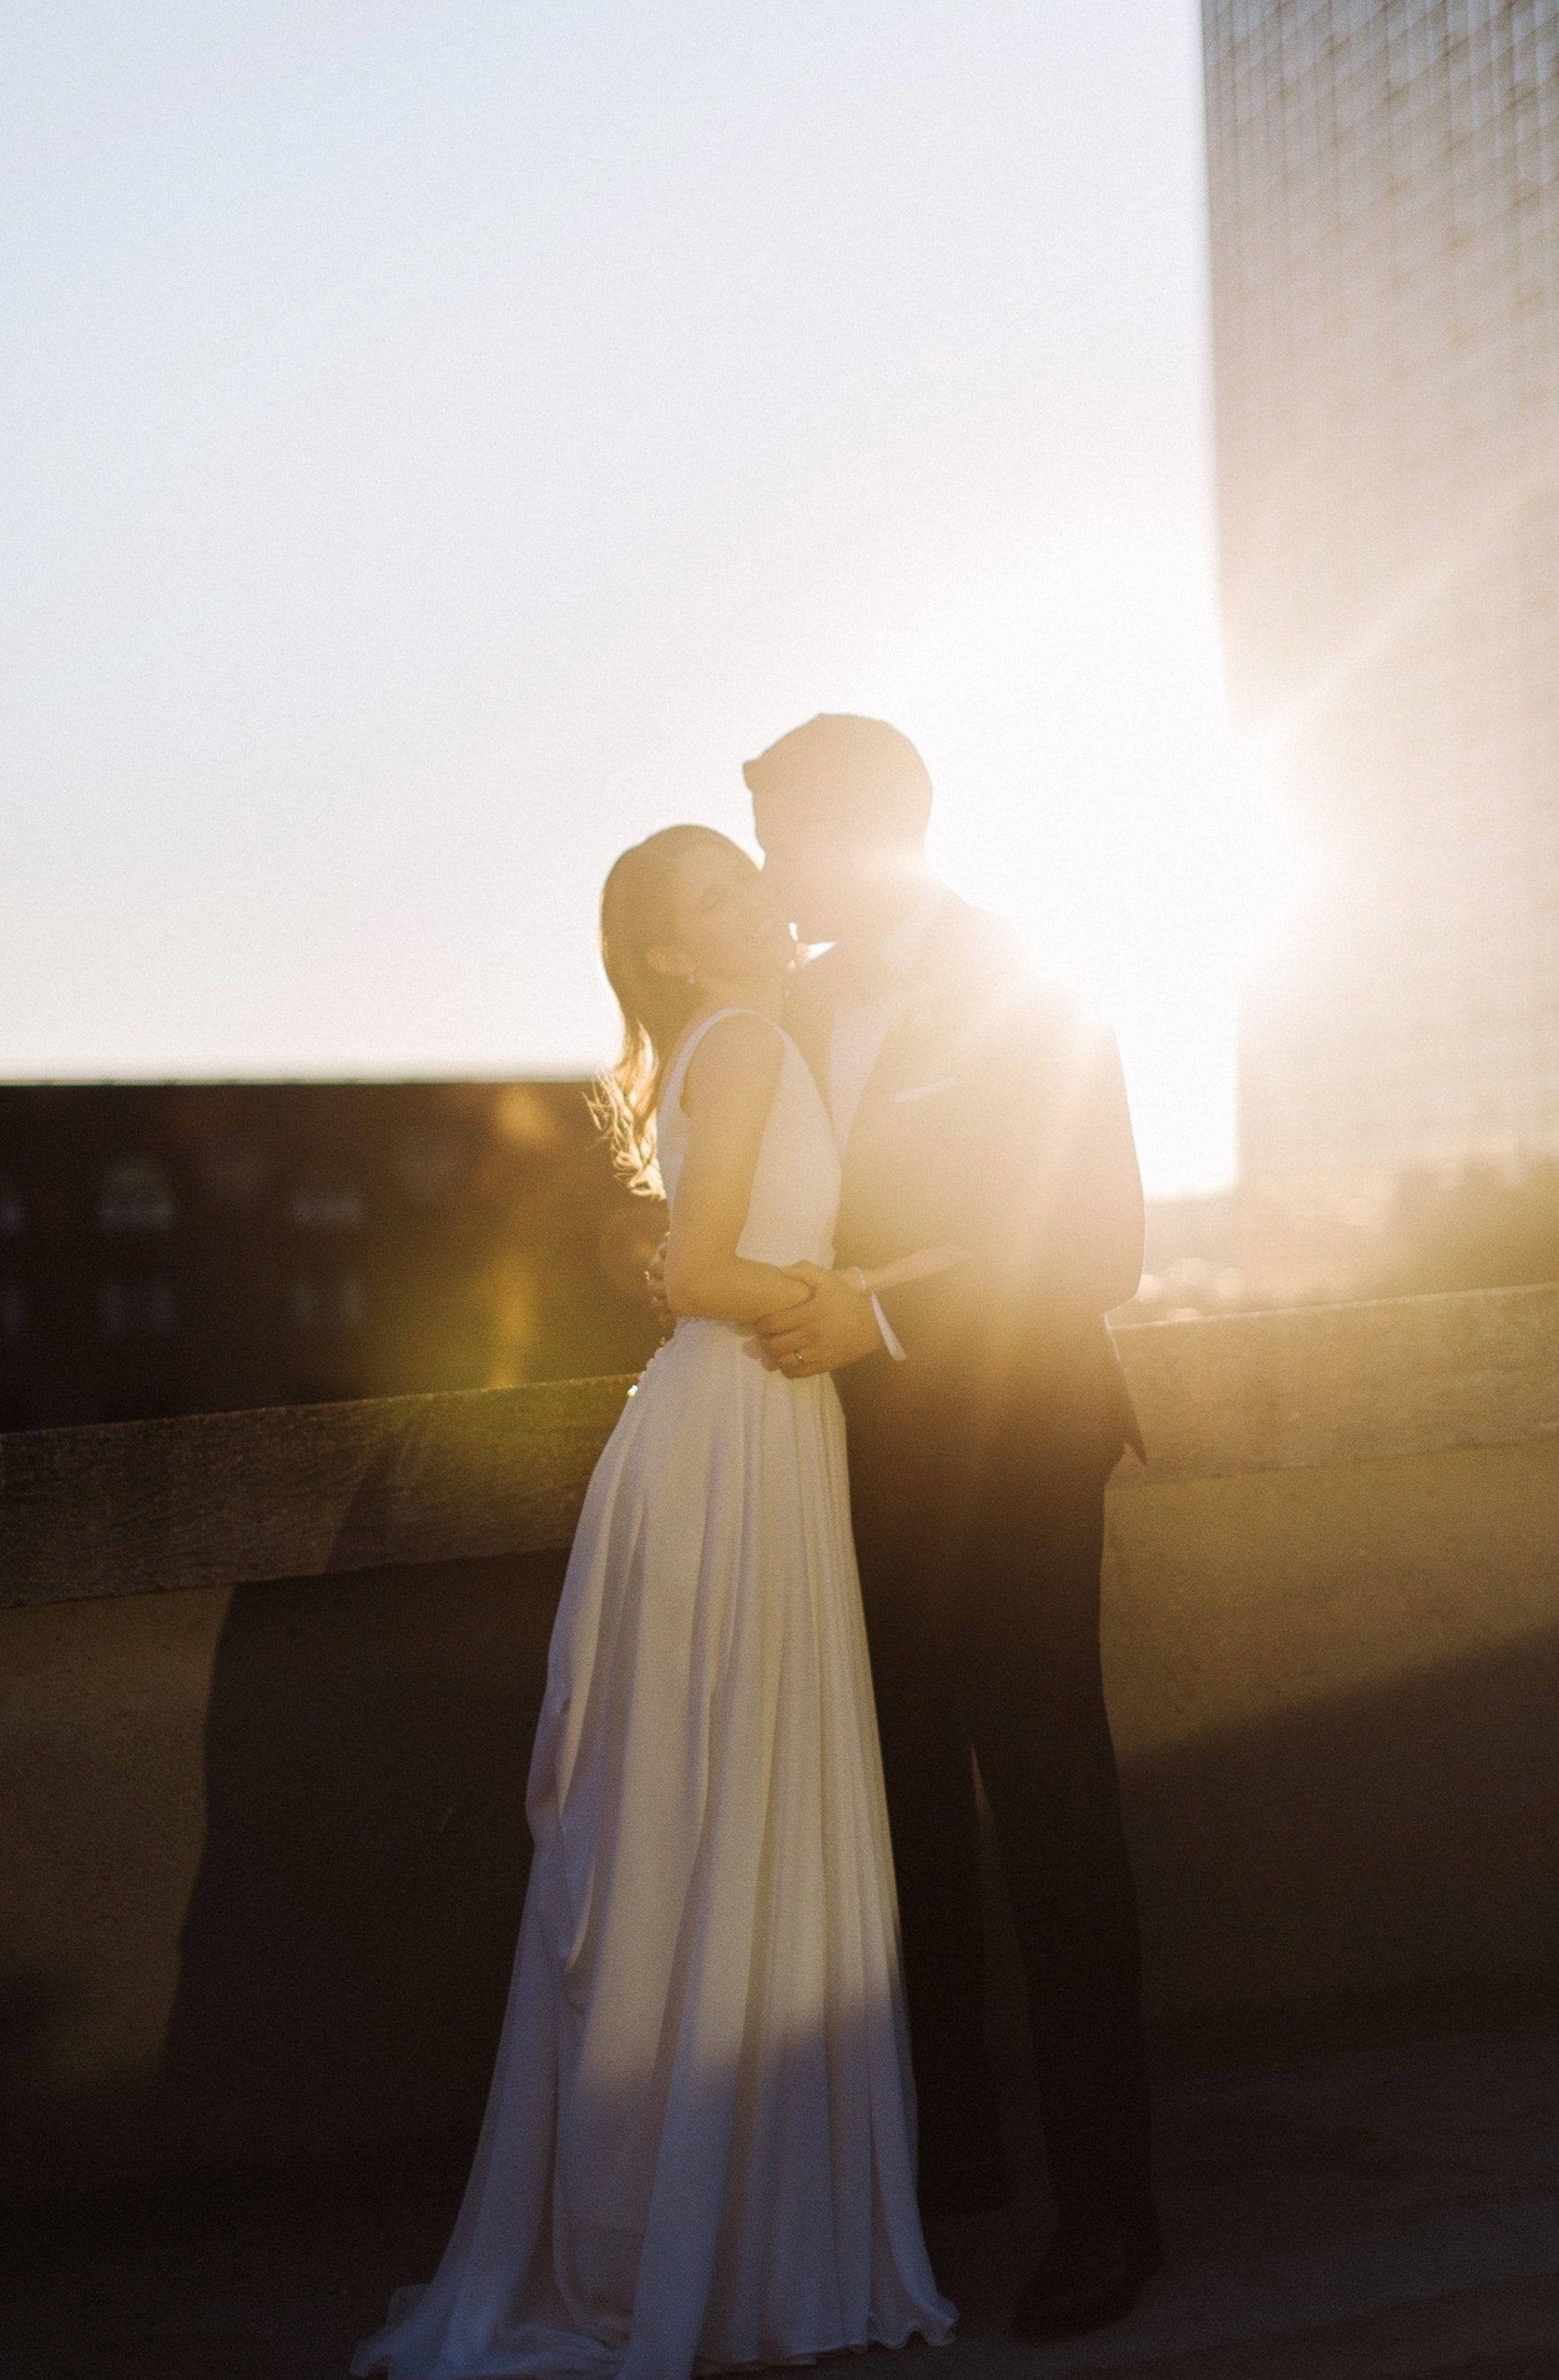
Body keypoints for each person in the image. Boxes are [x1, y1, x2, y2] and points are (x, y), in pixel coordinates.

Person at [353, 824, 955, 2380]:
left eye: (753, 879)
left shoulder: (725, 1040)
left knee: (697, 1817)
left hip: (739, 1430)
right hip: (737, 1430)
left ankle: (700, 2231)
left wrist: (857, 1288)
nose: (761, 902)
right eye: (718, 900)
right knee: (720, 1806)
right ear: (673, 954)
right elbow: (695, 1271)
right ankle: (726, 2246)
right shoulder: (747, 1035)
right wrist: (859, 1304)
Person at [664, 715, 1159, 2340]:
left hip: (1013, 1456)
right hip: (843, 1474)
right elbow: (712, 1190)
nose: (767, 875)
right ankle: (939, 2175)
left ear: (867, 832)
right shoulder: (783, 1006)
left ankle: (1111, 2212)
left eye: (781, 838)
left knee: (1051, 1821)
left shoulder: (1035, 974)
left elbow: (1094, 1243)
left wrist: (882, 1328)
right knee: (897, 1835)